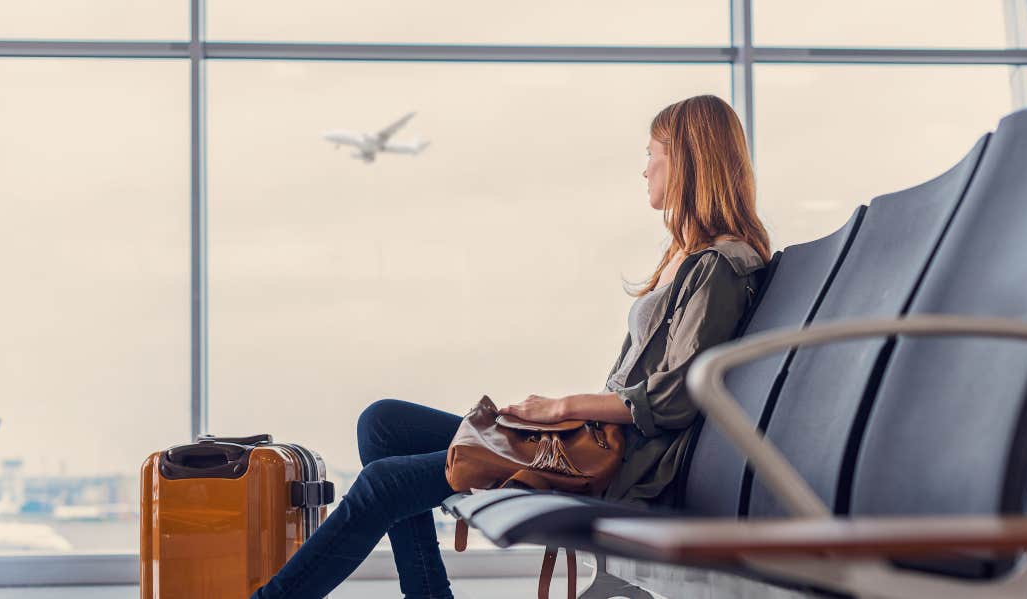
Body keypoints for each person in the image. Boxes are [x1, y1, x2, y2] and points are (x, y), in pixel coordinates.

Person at [250, 94, 772, 599]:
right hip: (590, 442)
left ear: (685, 160)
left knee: (383, 483)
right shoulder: (689, 257)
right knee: (382, 423)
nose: (645, 170)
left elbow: (674, 399)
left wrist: (562, 407)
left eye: (652, 155)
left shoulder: (721, 267)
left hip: (616, 465)